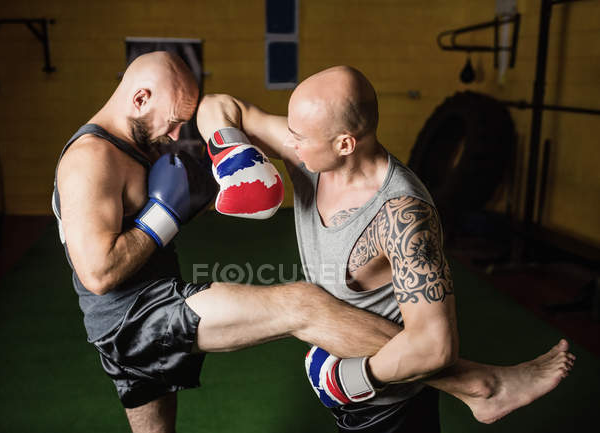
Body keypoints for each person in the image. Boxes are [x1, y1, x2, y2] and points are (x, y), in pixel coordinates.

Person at [53, 51, 495, 432]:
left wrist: (231, 158)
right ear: (139, 99)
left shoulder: (133, 141)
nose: (174, 137)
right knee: (304, 304)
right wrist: (163, 215)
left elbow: (216, 110)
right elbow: (97, 273)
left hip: (137, 316)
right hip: (134, 319)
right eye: (172, 124)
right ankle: (472, 383)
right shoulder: (90, 160)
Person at [194, 65, 575, 432]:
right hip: (353, 388)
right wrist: (233, 156)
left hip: (390, 406)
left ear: (344, 143)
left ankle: (484, 389)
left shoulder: (403, 216)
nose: (287, 142)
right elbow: (220, 104)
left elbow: (434, 345)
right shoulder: (308, 155)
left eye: (300, 136)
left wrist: (349, 378)